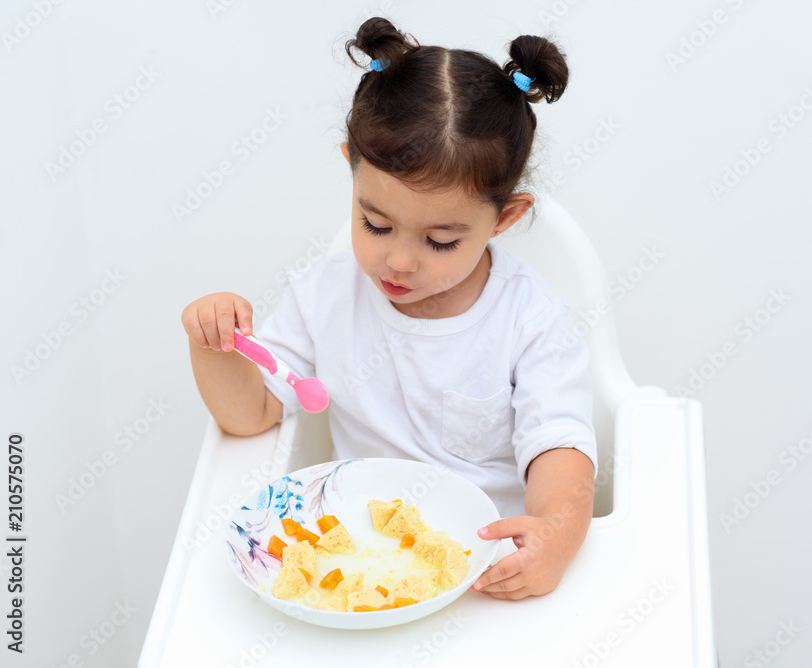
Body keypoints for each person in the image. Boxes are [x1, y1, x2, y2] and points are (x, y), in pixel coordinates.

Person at [181, 17, 596, 600]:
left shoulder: (530, 321)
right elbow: (250, 416)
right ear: (352, 170)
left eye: (440, 241)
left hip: (488, 569)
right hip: (363, 558)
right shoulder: (324, 295)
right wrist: (216, 345)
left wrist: (555, 534)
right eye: (375, 224)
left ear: (504, 218)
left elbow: (560, 449)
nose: (398, 262)